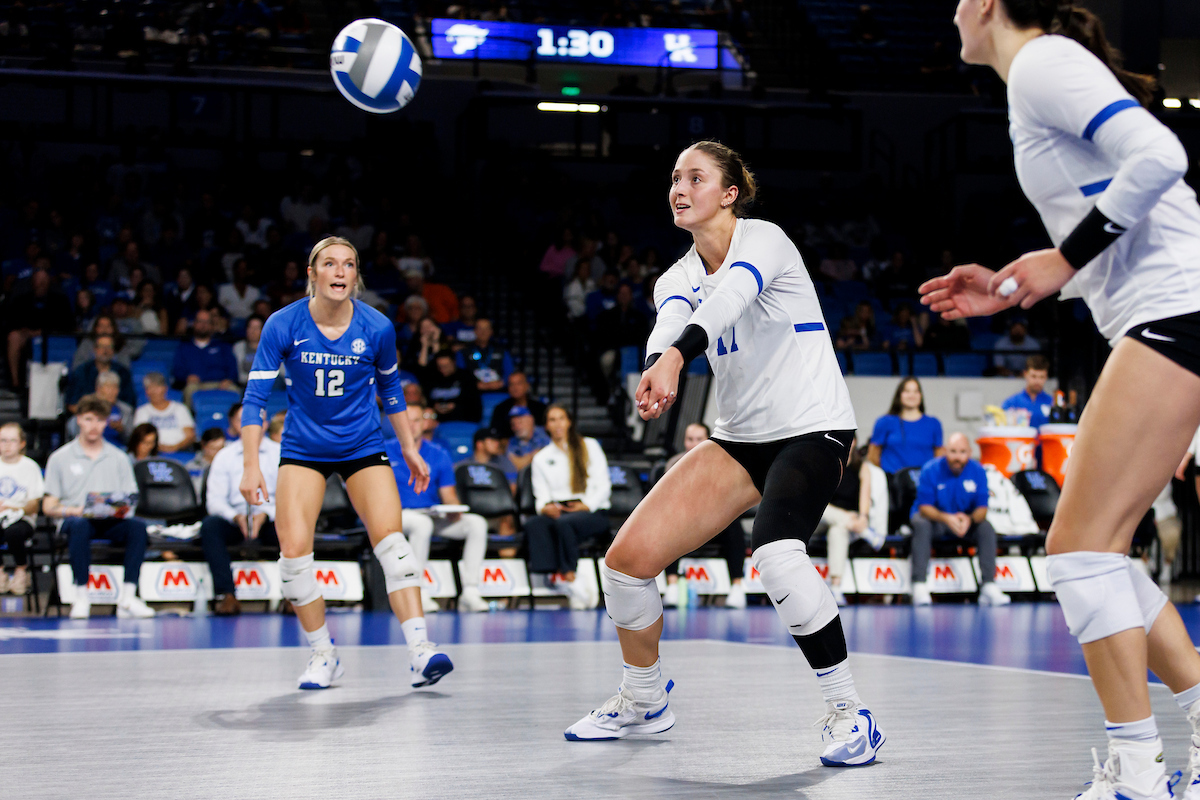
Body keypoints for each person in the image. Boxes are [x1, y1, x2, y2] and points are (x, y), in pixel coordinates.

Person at [920, 3, 1200, 795]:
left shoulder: (1042, 64)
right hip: (1171, 308)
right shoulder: (1037, 76)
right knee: (1098, 548)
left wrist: (1063, 260)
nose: (952, 11)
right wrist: (1018, 284)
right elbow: (1125, 214)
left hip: (1174, 309)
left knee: (1079, 548)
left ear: (988, 3)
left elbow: (1161, 155)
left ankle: (1136, 775)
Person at [565, 141, 886, 769]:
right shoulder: (674, 277)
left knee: (776, 553)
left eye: (696, 178)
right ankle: (644, 699)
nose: (679, 189)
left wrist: (676, 358)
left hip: (813, 425)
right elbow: (671, 323)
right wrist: (659, 363)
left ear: (730, 193)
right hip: (739, 438)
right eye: (674, 179)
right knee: (626, 563)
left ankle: (852, 714)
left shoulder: (765, 240)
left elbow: (728, 301)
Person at [239, 236, 452, 691]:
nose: (340, 271)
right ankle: (324, 655)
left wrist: (409, 447)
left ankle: (420, 650)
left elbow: (391, 392)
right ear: (312, 273)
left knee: (394, 547)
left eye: (349, 264)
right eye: (330, 263)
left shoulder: (377, 327)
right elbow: (255, 398)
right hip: (303, 448)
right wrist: (251, 464)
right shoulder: (283, 324)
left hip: (361, 445)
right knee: (294, 559)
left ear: (356, 276)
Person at [43, 395, 155, 620]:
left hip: (111, 520)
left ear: (106, 423)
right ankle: (81, 596)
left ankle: (128, 596)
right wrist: (73, 510)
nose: (94, 426)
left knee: (137, 527)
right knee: (80, 525)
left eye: (100, 420)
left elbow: (131, 498)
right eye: (88, 419)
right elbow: (48, 506)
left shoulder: (119, 457)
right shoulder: (59, 458)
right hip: (75, 520)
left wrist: (118, 509)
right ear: (78, 420)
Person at [386, 399, 489, 614]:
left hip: (432, 514)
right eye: (406, 420)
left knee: (476, 524)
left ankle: (470, 591)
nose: (411, 425)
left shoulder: (438, 453)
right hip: (396, 516)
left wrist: (454, 510)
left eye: (416, 420)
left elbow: (449, 496)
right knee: (422, 524)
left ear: (425, 423)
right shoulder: (385, 450)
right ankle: (417, 591)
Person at [907, 432, 1010, 607]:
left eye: (962, 452)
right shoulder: (930, 469)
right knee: (920, 523)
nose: (957, 457)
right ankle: (919, 585)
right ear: (945, 451)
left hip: (964, 523)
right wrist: (947, 518)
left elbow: (982, 509)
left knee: (985, 527)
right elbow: (924, 507)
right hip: (937, 521)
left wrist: (969, 519)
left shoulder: (978, 471)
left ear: (969, 452)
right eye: (953, 451)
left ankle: (989, 585)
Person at [526, 404, 610, 610]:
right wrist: (545, 508)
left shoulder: (589, 446)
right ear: (546, 426)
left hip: (592, 510)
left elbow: (603, 485)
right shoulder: (541, 458)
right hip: (560, 509)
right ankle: (555, 576)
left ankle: (570, 577)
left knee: (565, 524)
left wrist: (586, 505)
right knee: (535, 524)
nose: (557, 424)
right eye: (552, 420)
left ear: (569, 421)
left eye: (561, 418)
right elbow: (541, 495)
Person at [199, 405, 280, 616]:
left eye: (258, 418)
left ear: (266, 423)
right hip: (235, 520)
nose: (251, 424)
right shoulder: (224, 456)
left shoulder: (281, 453)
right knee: (210, 526)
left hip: (271, 517)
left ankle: (293, 596)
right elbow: (214, 501)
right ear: (234, 425)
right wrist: (235, 516)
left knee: (291, 524)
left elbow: (290, 498)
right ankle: (226, 595)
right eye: (243, 419)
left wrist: (266, 514)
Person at [660, 423, 749, 610]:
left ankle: (737, 587)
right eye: (690, 439)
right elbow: (669, 499)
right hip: (685, 524)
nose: (694, 444)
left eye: (699, 439)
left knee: (734, 525)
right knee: (669, 525)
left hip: (714, 524)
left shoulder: (724, 463)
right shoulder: (673, 464)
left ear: (708, 440)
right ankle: (672, 586)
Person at [821, 437, 878, 607]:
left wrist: (863, 518)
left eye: (851, 439)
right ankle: (865, 532)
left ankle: (836, 587)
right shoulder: (827, 464)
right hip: (823, 517)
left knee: (838, 530)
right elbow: (819, 499)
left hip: (850, 522)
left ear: (855, 442)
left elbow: (865, 498)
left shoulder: (862, 468)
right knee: (820, 508)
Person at [868, 377, 945, 474]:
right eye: (907, 391)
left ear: (920, 395)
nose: (911, 395)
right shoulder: (884, 422)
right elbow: (873, 455)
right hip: (892, 479)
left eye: (916, 391)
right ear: (899, 394)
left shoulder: (933, 423)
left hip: (923, 480)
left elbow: (939, 457)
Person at [0, 422, 42, 598]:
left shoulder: (30, 467)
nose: (7, 445)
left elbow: (34, 505)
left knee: (13, 532)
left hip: (22, 517)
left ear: (22, 443)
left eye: (12, 440)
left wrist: (14, 508)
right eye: (3, 440)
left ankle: (21, 570)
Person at [172, 309, 239, 405]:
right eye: (200, 321)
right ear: (194, 324)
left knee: (234, 390)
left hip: (220, 383)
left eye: (206, 322)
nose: (203, 325)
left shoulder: (223, 346)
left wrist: (229, 379)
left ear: (212, 326)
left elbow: (232, 368)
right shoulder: (184, 347)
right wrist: (187, 377)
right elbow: (177, 370)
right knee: (189, 390)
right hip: (196, 385)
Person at [65, 334, 137, 413]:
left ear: (113, 350)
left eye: (109, 347)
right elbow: (71, 404)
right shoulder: (81, 371)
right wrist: (93, 416)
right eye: (101, 346)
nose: (105, 350)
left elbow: (130, 404)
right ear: (95, 349)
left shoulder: (123, 373)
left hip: (118, 416)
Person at [134, 372, 196, 454]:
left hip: (181, 452)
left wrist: (175, 447)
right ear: (146, 392)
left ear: (165, 388)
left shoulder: (180, 408)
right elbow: (141, 437)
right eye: (150, 388)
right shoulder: (141, 411)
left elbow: (190, 436)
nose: (153, 391)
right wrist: (158, 447)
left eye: (157, 387)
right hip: (153, 453)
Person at [66, 371, 134, 446]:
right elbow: (72, 427)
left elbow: (132, 440)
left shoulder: (126, 410)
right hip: (90, 447)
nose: (112, 392)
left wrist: (122, 430)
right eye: (108, 387)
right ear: (98, 389)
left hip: (118, 448)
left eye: (115, 387)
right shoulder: (88, 407)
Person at [422, 349, 482, 424]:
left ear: (454, 362)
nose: (443, 369)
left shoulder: (466, 377)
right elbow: (425, 400)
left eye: (446, 366)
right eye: (440, 366)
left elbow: (474, 407)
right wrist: (434, 407)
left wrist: (455, 406)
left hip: (461, 421)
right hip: (436, 422)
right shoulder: (431, 378)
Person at [459, 319, 513, 393]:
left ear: (491, 331)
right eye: (480, 329)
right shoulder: (464, 352)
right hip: (473, 392)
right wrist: (474, 384)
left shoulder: (502, 351)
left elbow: (509, 373)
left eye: (486, 329)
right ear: (475, 331)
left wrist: (502, 383)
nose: (483, 332)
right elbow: (460, 374)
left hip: (499, 391)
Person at [489, 371, 548, 439]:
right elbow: (496, 434)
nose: (515, 387)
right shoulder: (500, 409)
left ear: (527, 385)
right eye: (511, 384)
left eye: (519, 383)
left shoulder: (540, 408)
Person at [1001, 354, 1053, 427]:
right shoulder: (1011, 403)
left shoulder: (1052, 403)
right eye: (1033, 376)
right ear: (1025, 374)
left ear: (1046, 377)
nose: (1037, 381)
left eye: (1041, 377)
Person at [506, 406, 550, 472]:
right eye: (513, 424)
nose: (517, 427)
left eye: (520, 422)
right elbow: (515, 466)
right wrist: (533, 455)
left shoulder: (545, 433)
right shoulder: (513, 441)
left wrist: (524, 459)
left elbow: (548, 457)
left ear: (531, 420)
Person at [186, 428, 227, 496]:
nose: (218, 452)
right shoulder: (191, 466)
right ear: (203, 446)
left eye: (221, 448)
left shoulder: (229, 466)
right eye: (213, 448)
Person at [233, 314, 267, 385]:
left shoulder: (271, 347)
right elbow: (238, 374)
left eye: (256, 328)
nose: (253, 331)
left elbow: (281, 371)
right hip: (246, 384)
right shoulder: (238, 347)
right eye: (250, 327)